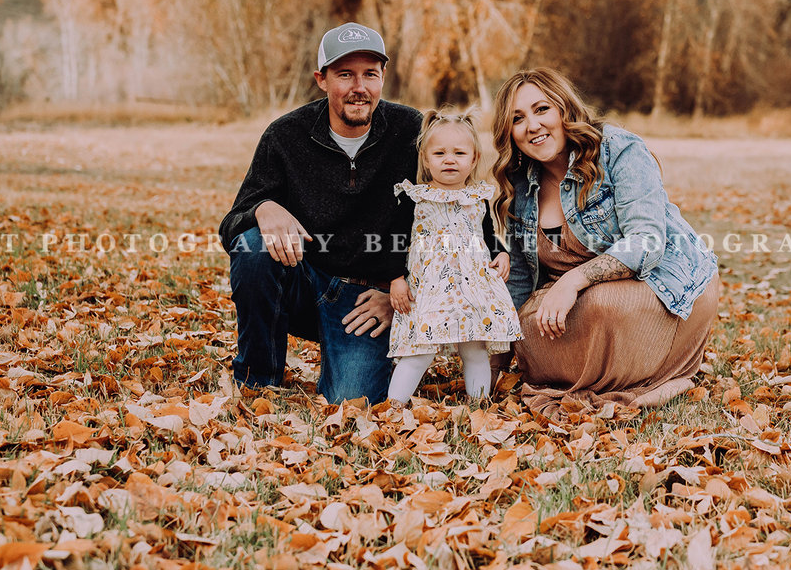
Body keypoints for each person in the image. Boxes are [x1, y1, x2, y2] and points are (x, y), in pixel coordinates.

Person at [490, 68, 720, 414]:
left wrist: (572, 281)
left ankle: (656, 372)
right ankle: (633, 377)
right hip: (588, 300)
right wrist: (498, 360)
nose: (532, 126)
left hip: (663, 285)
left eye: (541, 110)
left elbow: (647, 241)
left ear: (564, 108)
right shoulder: (520, 183)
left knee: (599, 307)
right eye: (517, 119)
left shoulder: (616, 149)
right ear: (510, 132)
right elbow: (520, 278)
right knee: (529, 324)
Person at [218, 23, 422, 404]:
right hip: (306, 285)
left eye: (369, 74)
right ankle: (257, 382)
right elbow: (231, 225)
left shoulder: (413, 131)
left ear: (382, 78)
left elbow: (451, 223)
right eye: (345, 74)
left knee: (351, 400)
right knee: (252, 246)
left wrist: (403, 298)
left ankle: (372, 357)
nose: (359, 86)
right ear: (322, 80)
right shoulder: (285, 136)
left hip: (369, 300)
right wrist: (263, 208)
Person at [386, 110, 520, 405]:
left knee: (474, 348)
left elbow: (486, 236)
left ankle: (479, 403)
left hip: (471, 288)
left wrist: (501, 253)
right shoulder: (415, 198)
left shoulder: (476, 198)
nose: (450, 159)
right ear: (426, 159)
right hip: (428, 288)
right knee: (419, 349)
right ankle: (394, 406)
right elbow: (394, 242)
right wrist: (396, 279)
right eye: (440, 153)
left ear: (473, 160)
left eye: (459, 153)